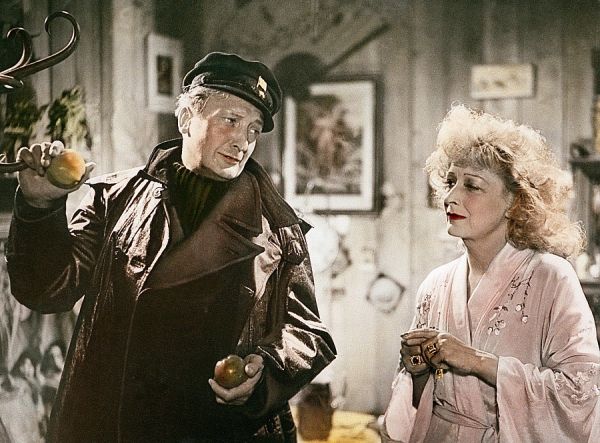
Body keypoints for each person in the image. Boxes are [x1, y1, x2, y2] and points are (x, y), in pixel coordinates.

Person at [6, 51, 336, 442]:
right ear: (185, 119)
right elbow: (48, 290)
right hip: (114, 426)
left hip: (223, 430)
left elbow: (307, 333)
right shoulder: (113, 199)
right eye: (231, 120)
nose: (243, 141)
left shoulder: (278, 226)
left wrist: (263, 371)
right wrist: (40, 208)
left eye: (253, 129)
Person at [382, 104, 600, 442]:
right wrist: (417, 371)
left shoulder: (553, 278)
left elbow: (580, 391)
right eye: (450, 182)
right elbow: (415, 404)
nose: (451, 196)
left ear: (515, 202)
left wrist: (478, 361)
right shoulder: (434, 285)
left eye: (472, 186)